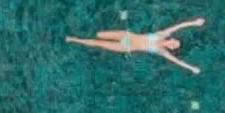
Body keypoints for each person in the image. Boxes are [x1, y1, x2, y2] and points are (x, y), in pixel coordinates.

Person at [67, 18, 205, 75]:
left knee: (99, 43)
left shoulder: (162, 51)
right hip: (127, 36)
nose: (173, 44)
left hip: (126, 48)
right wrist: (194, 22)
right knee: (99, 34)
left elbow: (178, 62)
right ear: (172, 39)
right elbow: (178, 26)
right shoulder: (162, 34)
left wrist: (192, 68)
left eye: (175, 46)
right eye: (175, 42)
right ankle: (84, 26)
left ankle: (74, 39)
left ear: (172, 49)